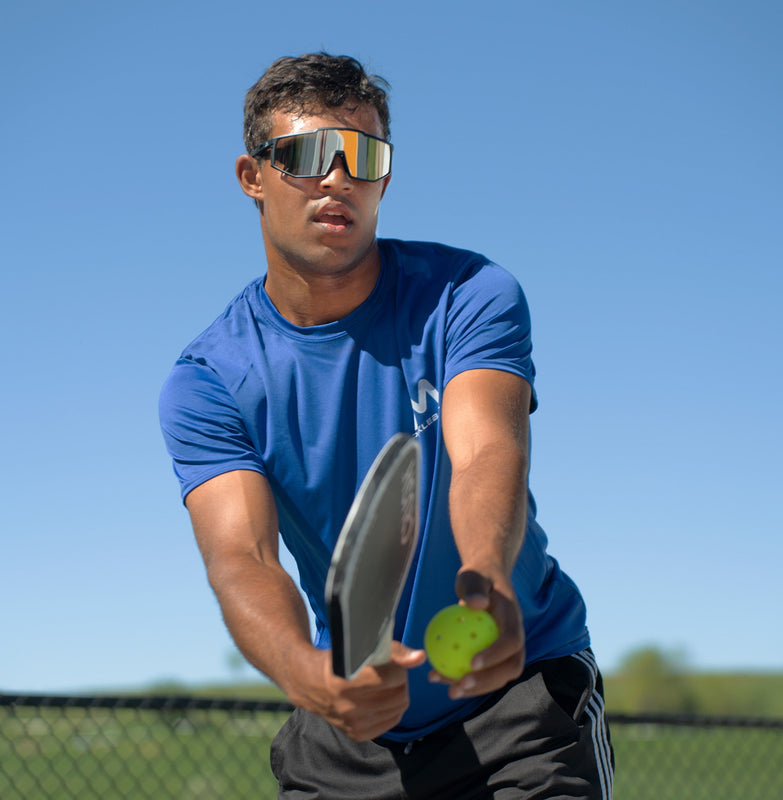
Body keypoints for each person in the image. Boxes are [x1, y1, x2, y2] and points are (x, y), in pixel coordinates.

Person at [159, 52, 614, 800]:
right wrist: (309, 675)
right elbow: (244, 558)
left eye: (364, 157)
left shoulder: (470, 293)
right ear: (252, 176)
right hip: (350, 725)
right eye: (308, 155)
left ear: (385, 179)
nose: (338, 178)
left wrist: (487, 580)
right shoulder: (207, 381)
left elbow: (486, 450)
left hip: (520, 700)